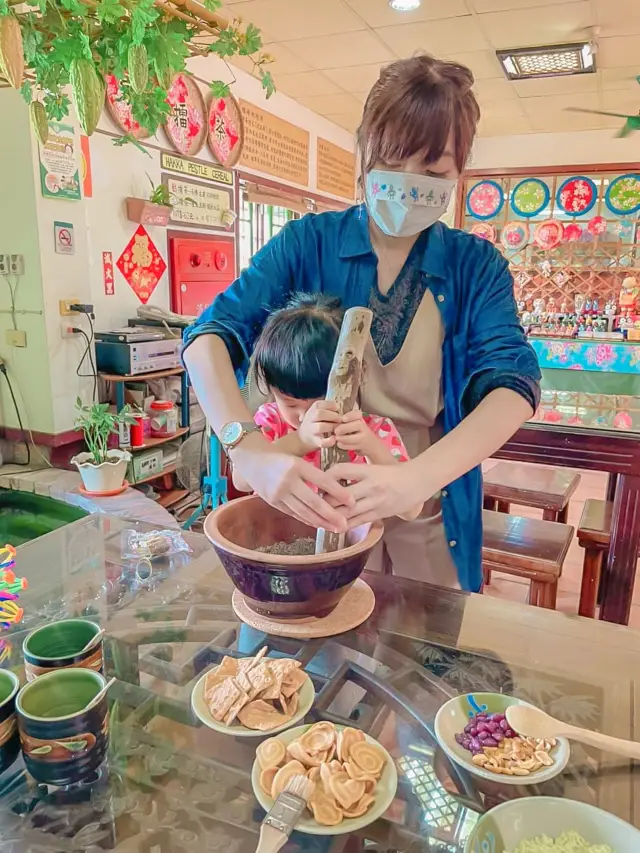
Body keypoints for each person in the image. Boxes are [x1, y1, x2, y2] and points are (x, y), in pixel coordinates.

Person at [183, 54, 541, 592]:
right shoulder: (308, 243)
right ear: (365, 156)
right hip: (316, 506)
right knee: (321, 639)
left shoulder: (475, 266)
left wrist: (417, 476)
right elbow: (208, 337)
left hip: (427, 503)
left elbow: (512, 384)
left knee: (424, 649)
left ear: (459, 172)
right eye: (395, 165)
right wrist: (247, 447)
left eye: (434, 172)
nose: (411, 186)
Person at [233, 292, 422, 522]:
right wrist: (301, 440)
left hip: (349, 547)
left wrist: (371, 447)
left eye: (318, 402)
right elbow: (241, 480)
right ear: (273, 390)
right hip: (274, 537)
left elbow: (411, 509)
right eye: (290, 403)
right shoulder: (272, 421)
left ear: (354, 379)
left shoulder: (374, 430)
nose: (305, 416)